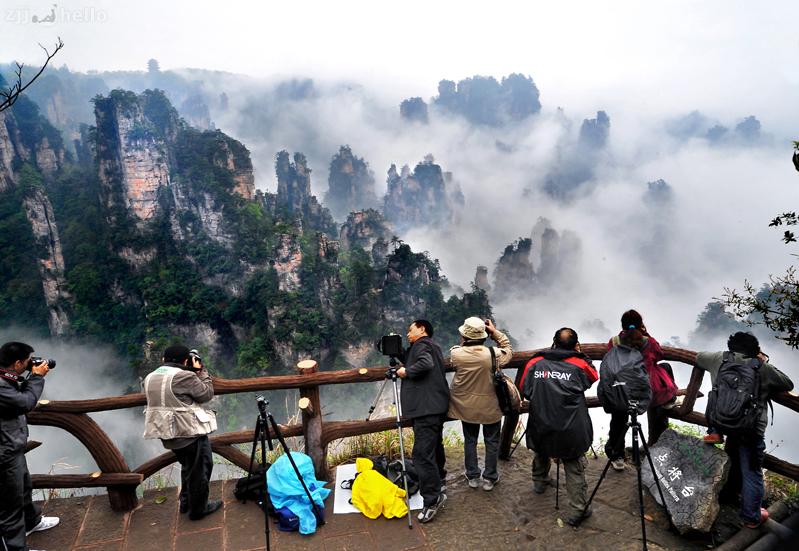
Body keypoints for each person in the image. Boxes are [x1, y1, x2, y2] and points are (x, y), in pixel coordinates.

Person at [696, 332, 794, 528]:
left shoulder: (719, 358)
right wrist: (763, 361)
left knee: (714, 400)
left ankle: (714, 431)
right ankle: (751, 517)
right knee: (752, 471)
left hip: (721, 421)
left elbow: (698, 357)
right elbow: (787, 383)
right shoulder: (762, 368)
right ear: (755, 350)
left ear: (731, 347)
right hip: (749, 429)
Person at [519, 328, 598, 527]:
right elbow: (593, 376)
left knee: (541, 450)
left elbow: (525, 389)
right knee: (573, 464)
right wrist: (581, 354)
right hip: (571, 425)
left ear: (553, 342)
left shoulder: (534, 363)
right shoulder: (580, 364)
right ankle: (578, 510)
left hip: (541, 420)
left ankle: (539, 482)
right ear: (575, 345)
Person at [143, 344, 221, 520]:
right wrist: (201, 371)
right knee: (200, 470)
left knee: (188, 468)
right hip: (188, 433)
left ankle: (186, 502)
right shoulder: (184, 376)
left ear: (163, 359)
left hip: (166, 432)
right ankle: (198, 510)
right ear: (186, 361)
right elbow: (206, 394)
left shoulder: (150, 377)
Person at [0, 342, 60, 551]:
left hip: (11, 445)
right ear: (17, 363)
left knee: (23, 488)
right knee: (10, 504)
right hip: (4, 451)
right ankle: (17, 548)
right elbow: (25, 402)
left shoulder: (6, 376)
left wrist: (28, 376)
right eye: (26, 362)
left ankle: (32, 522)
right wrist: (36, 377)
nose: (29, 364)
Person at [604, 310, 677, 471]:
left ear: (622, 325)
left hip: (622, 391)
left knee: (618, 420)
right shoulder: (648, 342)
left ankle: (617, 456)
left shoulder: (614, 341)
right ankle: (657, 447)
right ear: (640, 325)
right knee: (663, 368)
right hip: (647, 393)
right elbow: (659, 354)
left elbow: (610, 360)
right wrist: (645, 334)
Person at [447, 317, 512, 491]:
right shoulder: (494, 354)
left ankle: (473, 475)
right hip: (491, 406)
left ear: (464, 336)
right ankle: (490, 478)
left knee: (470, 439)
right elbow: (508, 349)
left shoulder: (456, 354)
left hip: (466, 406)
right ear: (484, 335)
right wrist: (495, 332)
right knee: (491, 441)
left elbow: (456, 356)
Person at [397, 319, 450, 523]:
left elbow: (424, 363)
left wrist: (407, 371)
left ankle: (432, 500)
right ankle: (440, 479)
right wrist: (397, 353)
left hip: (426, 409)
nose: (408, 333)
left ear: (422, 329)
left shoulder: (422, 345)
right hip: (435, 406)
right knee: (435, 446)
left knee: (421, 454)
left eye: (410, 330)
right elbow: (417, 358)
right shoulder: (430, 346)